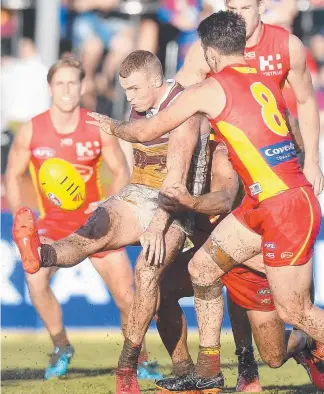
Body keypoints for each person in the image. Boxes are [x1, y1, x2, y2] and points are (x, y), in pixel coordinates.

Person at [85, 11, 324, 392]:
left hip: (283, 208)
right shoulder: (266, 80)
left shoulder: (212, 88)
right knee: (202, 268)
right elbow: (293, 132)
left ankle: (305, 346)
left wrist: (112, 126)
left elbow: (148, 128)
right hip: (268, 203)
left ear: (210, 53)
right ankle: (210, 371)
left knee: (294, 310)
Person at [12, 50, 207, 392]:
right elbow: (138, 149)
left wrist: (155, 224)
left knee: (145, 278)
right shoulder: (36, 128)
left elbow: (164, 174)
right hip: (138, 193)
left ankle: (131, 364)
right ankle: (40, 255)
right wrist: (112, 202)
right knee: (92, 232)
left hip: (180, 205)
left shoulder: (184, 108)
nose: (128, 97)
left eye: (133, 89)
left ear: (156, 81)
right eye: (125, 90)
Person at [5, 55, 159, 380]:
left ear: (82, 86)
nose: (66, 89)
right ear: (50, 87)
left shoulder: (96, 125)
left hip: (97, 223)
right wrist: (22, 212)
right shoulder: (32, 130)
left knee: (126, 296)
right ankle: (61, 345)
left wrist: (109, 201)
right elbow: (13, 174)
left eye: (72, 82)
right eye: (60, 83)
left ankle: (139, 357)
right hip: (53, 224)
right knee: (35, 280)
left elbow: (121, 171)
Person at [155, 136, 323, 392]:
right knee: (160, 288)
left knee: (274, 355)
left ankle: (305, 341)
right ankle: (195, 371)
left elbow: (225, 197)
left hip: (256, 245)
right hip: (211, 242)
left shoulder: (245, 130)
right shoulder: (190, 128)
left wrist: (309, 157)